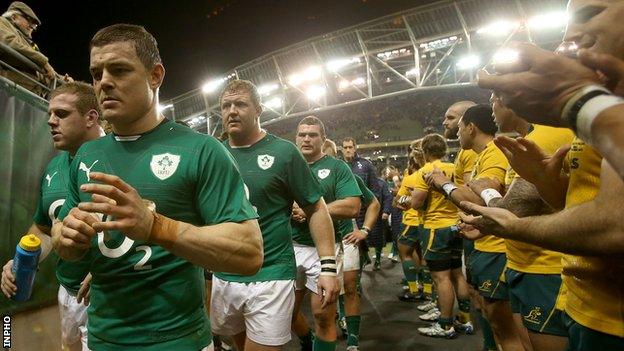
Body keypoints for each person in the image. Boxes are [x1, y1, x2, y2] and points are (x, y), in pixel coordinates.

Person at [51, 24, 263, 350]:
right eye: (96, 73)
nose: (104, 82)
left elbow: (250, 252)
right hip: (100, 340)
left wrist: (156, 226)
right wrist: (67, 238)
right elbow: (64, 239)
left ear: (155, 75)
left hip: (178, 341)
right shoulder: (88, 154)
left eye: (119, 70)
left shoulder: (202, 150)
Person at [211, 79, 337, 351]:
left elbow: (316, 207)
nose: (232, 111)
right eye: (225, 106)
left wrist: (328, 266)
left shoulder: (284, 152)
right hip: (224, 273)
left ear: (259, 109)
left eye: (241, 104)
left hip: (271, 272)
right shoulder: (212, 153)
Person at [466, 93, 575, 351]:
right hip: (523, 260)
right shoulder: (528, 139)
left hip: (545, 267)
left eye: (494, 96)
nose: (491, 105)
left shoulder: (545, 137)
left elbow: (514, 209)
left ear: (510, 99)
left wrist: (484, 192)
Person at [1, 82, 103, 351]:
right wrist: (22, 259)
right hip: (67, 290)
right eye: (49, 114)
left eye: (61, 114)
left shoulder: (121, 156)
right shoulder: (55, 166)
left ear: (91, 117)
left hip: (108, 294)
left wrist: (114, 267)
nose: (51, 121)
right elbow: (44, 228)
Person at [427, 104, 524, 350]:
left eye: (456, 124)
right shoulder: (480, 155)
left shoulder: (493, 152)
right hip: (485, 242)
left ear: (471, 127)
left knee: (506, 327)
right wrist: (480, 226)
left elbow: (479, 199)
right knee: (491, 318)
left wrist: (444, 184)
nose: (454, 130)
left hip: (498, 250)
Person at [291, 116, 361, 351]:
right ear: (296, 138)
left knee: (323, 315)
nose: (307, 139)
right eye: (302, 134)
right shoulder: (286, 165)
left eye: (313, 135)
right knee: (284, 313)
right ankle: (307, 341)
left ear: (323, 139)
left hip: (325, 250)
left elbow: (353, 205)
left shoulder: (336, 167)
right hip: (287, 248)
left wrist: (312, 211)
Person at [410, 134, 472, 339]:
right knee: (457, 275)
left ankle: (445, 325)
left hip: (436, 228)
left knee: (441, 278)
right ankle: (465, 319)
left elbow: (416, 203)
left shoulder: (426, 170)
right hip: (455, 225)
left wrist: (408, 197)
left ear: (425, 152)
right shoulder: (455, 168)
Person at [0, 2, 60, 94]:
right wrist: (43, 61)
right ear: (14, 17)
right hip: (8, 91)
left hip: (25, 96)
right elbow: (9, 43)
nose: (33, 27)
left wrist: (62, 80)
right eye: (29, 20)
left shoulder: (28, 43)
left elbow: (43, 72)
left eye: (34, 25)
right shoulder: (2, 23)